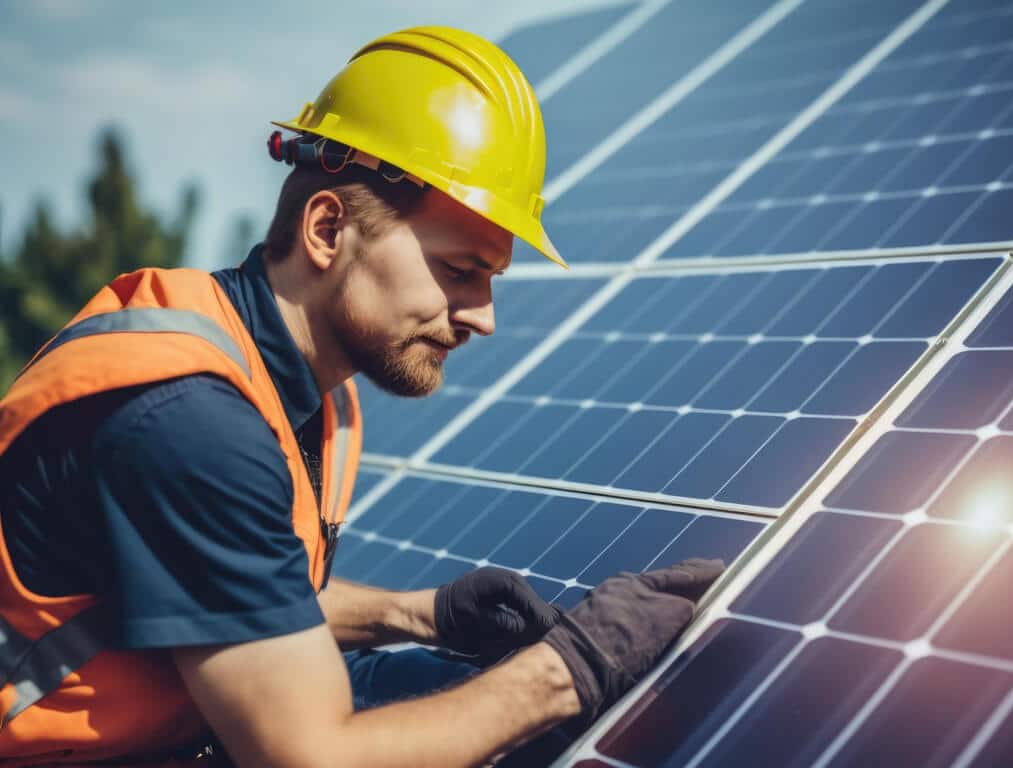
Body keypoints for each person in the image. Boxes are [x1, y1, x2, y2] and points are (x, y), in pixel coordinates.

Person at [0, 26, 724, 767]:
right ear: (327, 229)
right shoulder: (189, 419)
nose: (483, 315)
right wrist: (571, 669)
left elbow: (237, 592)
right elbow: (312, 758)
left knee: (443, 689)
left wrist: (417, 614)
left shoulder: (311, 396)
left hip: (177, 733)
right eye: (459, 270)